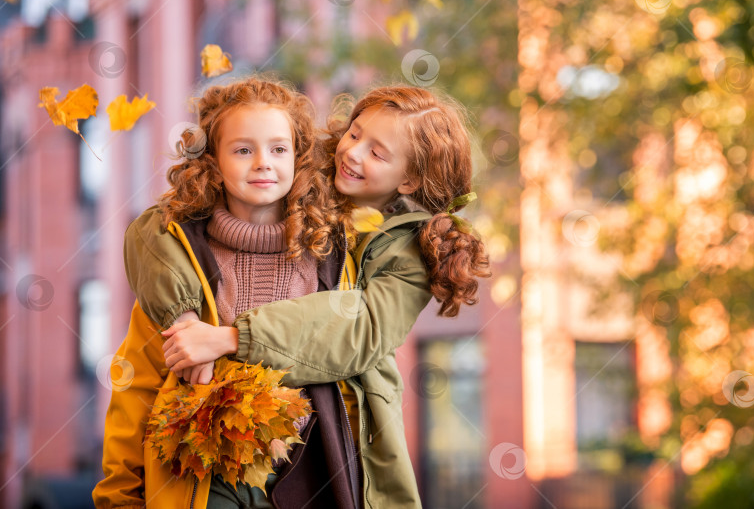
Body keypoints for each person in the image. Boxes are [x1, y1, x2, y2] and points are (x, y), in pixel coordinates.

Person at [121, 85, 491, 508]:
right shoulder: (295, 193)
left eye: (377, 152)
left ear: (407, 178)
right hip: (205, 471)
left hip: (322, 464)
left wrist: (226, 339)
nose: (352, 153)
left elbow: (357, 325)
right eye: (354, 134)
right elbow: (151, 229)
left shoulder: (396, 251)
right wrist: (184, 318)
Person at [92, 76, 359, 509]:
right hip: (200, 482)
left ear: (299, 157)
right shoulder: (179, 266)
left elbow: (355, 375)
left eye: (278, 148)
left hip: (311, 477)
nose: (262, 163)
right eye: (242, 149)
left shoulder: (330, 260)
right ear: (212, 161)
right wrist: (119, 498)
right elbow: (136, 386)